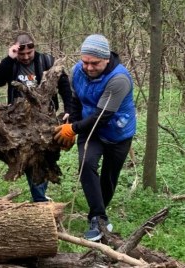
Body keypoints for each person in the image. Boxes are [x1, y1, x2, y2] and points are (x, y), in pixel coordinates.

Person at [53, 34, 136, 241]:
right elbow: (75, 99)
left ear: (106, 59)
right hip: (91, 130)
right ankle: (98, 218)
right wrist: (69, 121)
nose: (89, 67)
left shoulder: (119, 79)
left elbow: (102, 116)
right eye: (85, 62)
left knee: (109, 177)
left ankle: (97, 212)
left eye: (94, 63)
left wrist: (73, 128)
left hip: (118, 132)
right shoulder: (77, 71)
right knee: (86, 163)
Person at [0, 33, 72, 202]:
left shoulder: (47, 61)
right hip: (19, 121)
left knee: (43, 158)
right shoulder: (11, 64)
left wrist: (68, 109)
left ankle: (40, 197)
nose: (26, 57)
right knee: (30, 158)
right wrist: (9, 59)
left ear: (35, 48)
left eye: (30, 53)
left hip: (45, 119)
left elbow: (64, 85)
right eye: (22, 54)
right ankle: (40, 198)